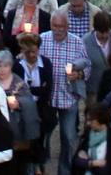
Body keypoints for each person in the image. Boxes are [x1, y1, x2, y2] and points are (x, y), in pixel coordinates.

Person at [41, 11, 91, 175]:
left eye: (62, 26)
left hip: (68, 96)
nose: (58, 29)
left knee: (68, 137)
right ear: (51, 25)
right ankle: (42, 166)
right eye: (55, 26)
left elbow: (88, 65)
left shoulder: (77, 42)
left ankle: (65, 171)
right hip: (47, 97)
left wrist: (79, 75)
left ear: (67, 26)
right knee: (43, 136)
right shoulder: (43, 39)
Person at [16, 33, 55, 174]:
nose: (32, 55)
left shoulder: (46, 63)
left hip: (41, 109)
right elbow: (17, 89)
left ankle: (39, 166)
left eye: (34, 51)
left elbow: (47, 89)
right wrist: (36, 89)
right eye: (28, 52)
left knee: (40, 140)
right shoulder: (18, 65)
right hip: (23, 110)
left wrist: (27, 89)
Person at [0, 49, 41, 161]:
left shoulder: (19, 84)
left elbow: (30, 104)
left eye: (6, 66)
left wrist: (19, 104)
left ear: (10, 66)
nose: (2, 69)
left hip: (17, 130)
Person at [84, 12, 111, 105]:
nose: (105, 35)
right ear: (96, 29)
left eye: (107, 31)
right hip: (93, 89)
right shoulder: (86, 41)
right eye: (102, 32)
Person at [73, 102, 111, 172]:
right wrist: (92, 163)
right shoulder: (88, 135)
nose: (88, 123)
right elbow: (77, 161)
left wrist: (88, 161)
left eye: (91, 120)